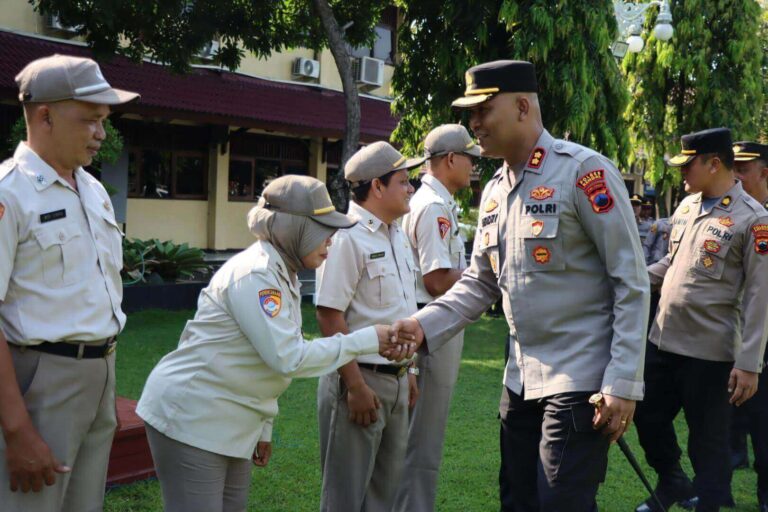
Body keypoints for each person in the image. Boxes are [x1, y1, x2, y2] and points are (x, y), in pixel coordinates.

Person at [392, 60, 650, 511]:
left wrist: (623, 381)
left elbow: (629, 280)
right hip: (520, 382)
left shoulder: (583, 173)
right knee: (518, 501)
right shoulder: (494, 190)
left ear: (523, 107)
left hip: (579, 378)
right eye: (471, 113)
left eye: (484, 109)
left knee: (560, 503)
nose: (474, 123)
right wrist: (422, 325)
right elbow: (479, 282)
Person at [135, 175, 413, 512]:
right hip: (193, 418)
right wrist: (367, 339)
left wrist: (263, 427)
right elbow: (288, 358)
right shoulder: (258, 274)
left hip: (233, 422)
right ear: (293, 227)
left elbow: (268, 355)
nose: (331, 239)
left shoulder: (284, 271)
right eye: (322, 228)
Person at [0, 54, 138, 512]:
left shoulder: (91, 188)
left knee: (84, 504)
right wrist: (17, 429)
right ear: (44, 116)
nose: (101, 134)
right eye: (91, 121)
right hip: (41, 379)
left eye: (104, 122)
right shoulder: (9, 193)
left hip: (99, 372)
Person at [633, 128, 768, 512]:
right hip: (663, 340)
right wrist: (632, 281)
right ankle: (673, 480)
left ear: (713, 163)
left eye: (688, 164)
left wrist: (749, 363)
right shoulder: (688, 207)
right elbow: (671, 265)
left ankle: (708, 503)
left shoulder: (753, 219)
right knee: (646, 414)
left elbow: (761, 295)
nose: (682, 173)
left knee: (707, 443)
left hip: (710, 354)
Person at [315, 141, 423, 512]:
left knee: (384, 496)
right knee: (344, 498)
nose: (411, 189)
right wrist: (355, 385)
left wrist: (409, 370)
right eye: (404, 181)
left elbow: (401, 308)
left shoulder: (397, 235)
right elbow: (330, 315)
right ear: (377, 186)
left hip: (395, 380)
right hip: (359, 380)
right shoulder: (347, 237)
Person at [394, 124, 479, 511]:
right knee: (422, 440)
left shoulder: (433, 201)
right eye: (470, 157)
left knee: (418, 436)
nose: (474, 165)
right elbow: (436, 279)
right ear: (449, 159)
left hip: (429, 325)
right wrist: (484, 274)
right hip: (431, 326)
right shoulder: (432, 207)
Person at [730, 140, 768, 511]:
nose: (736, 176)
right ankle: (722, 476)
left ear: (764, 173)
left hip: (764, 342)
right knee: (723, 419)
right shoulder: (735, 215)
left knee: (764, 423)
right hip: (730, 334)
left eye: (743, 169)